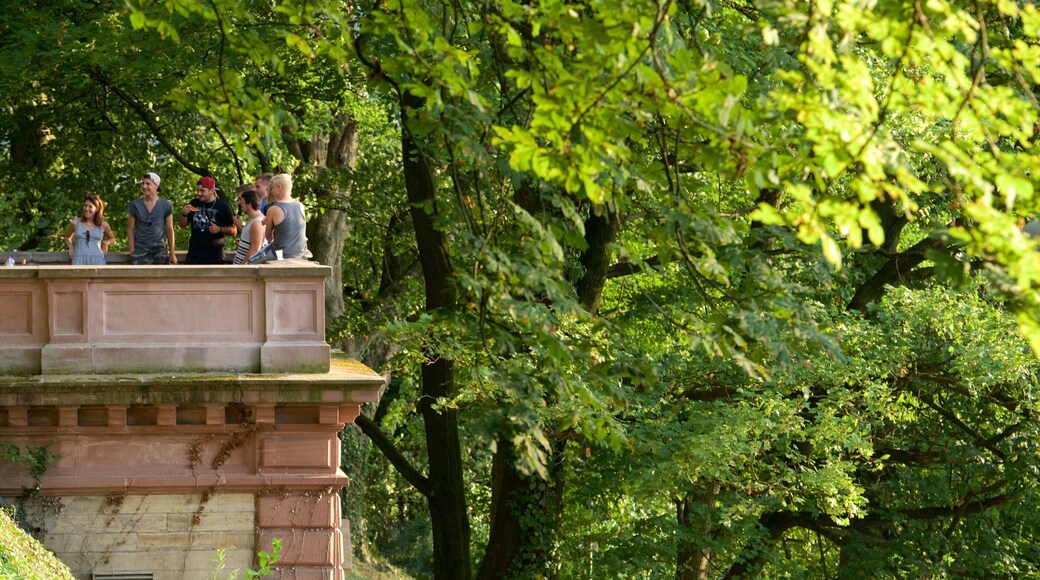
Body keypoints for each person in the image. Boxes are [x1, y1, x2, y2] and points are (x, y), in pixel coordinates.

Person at [248, 173, 310, 263]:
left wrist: (271, 223)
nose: (271, 191)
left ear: (279, 188)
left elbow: (268, 237)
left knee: (249, 263)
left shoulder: (274, 209)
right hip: (299, 252)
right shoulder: (301, 206)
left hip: (281, 254)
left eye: (272, 188)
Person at [179, 176, 236, 264]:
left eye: (202, 191)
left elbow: (234, 230)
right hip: (194, 254)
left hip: (214, 256)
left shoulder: (224, 207)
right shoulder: (194, 203)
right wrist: (184, 214)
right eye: (197, 190)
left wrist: (220, 229)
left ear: (212, 191)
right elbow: (182, 225)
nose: (199, 193)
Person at [127, 172, 177, 264]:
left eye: (147, 183)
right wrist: (132, 250)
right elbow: (130, 229)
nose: (144, 186)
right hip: (140, 249)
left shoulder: (166, 205)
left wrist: (172, 253)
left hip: (160, 250)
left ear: (156, 186)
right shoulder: (135, 205)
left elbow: (170, 229)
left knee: (161, 277)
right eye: (143, 183)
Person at [66, 194, 115, 265]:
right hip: (78, 260)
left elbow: (112, 238)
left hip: (98, 260)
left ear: (97, 209)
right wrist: (71, 247)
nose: (86, 209)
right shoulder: (75, 223)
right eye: (85, 206)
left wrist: (105, 243)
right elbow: (67, 237)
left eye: (90, 206)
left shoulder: (103, 225)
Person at [233, 189, 268, 264]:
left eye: (242, 203)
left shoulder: (258, 223)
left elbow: (255, 249)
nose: (241, 205)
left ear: (248, 205)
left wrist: (242, 267)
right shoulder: (251, 220)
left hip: (245, 270)